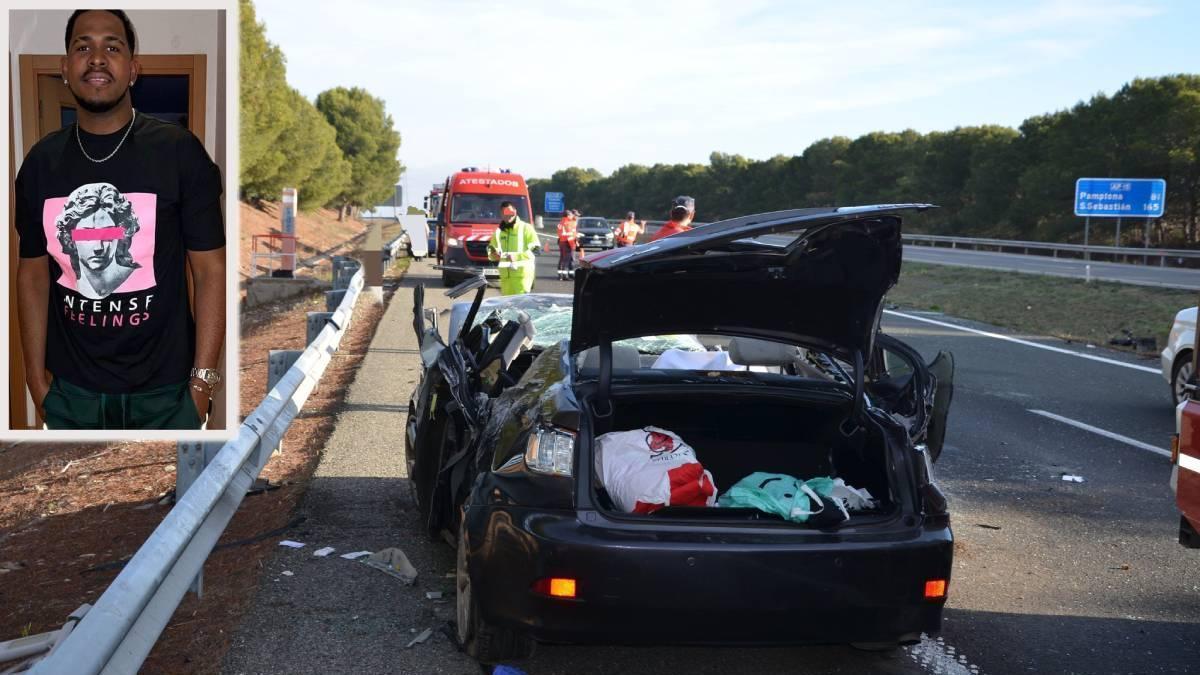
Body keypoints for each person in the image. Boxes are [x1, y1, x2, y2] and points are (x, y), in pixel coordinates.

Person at [14, 9, 226, 430]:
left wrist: (203, 384)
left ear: (133, 69)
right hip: (72, 395)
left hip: (166, 394)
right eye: (82, 47)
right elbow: (32, 274)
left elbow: (210, 271)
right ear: (65, 68)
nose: (96, 58)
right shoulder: (40, 163)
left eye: (112, 46)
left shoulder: (179, 152)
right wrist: (35, 380)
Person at [487, 201, 539, 295]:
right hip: (505, 277)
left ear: (515, 212)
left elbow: (536, 250)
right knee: (507, 305)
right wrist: (493, 254)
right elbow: (491, 249)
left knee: (520, 305)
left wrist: (517, 256)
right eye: (506, 213)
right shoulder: (499, 232)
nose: (509, 216)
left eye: (511, 213)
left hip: (522, 276)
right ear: (501, 214)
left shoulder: (526, 228)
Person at [556, 209, 580, 280]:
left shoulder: (561, 222)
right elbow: (570, 235)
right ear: (568, 215)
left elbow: (560, 233)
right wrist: (573, 245)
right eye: (571, 215)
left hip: (562, 241)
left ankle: (561, 275)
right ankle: (564, 276)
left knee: (563, 259)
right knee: (567, 260)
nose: (572, 216)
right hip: (567, 242)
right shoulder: (568, 223)